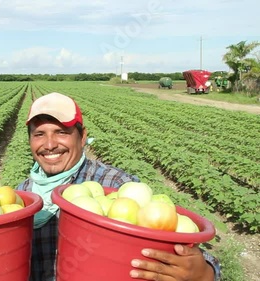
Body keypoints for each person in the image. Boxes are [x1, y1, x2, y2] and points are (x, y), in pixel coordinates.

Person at [17, 92, 221, 281]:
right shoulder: (23, 195)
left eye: (61, 132)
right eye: (39, 134)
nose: (50, 144)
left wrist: (203, 274)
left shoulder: (115, 186)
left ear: (83, 136)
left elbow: (176, 244)